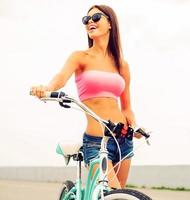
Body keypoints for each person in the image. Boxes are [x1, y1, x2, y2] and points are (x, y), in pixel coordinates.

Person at [30, 4, 141, 189]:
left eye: (96, 17)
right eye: (86, 19)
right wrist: (47, 88)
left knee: (120, 193)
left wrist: (135, 127)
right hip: (96, 141)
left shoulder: (122, 65)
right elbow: (60, 77)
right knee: (114, 193)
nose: (90, 21)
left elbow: (127, 107)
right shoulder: (80, 57)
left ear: (110, 23)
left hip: (123, 140)